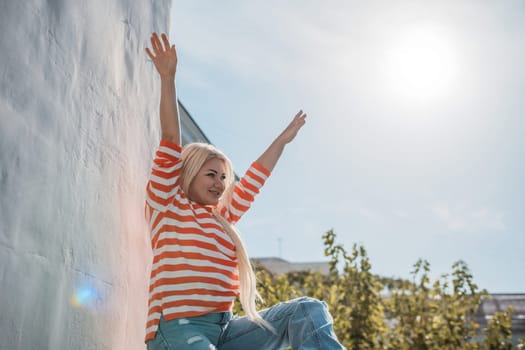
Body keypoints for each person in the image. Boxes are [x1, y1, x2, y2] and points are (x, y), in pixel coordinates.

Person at [144, 32, 345, 350]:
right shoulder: (167, 204)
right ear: (188, 174)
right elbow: (170, 137)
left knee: (308, 310)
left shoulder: (222, 216)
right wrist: (167, 77)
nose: (220, 184)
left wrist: (281, 141)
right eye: (211, 175)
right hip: (178, 331)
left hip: (226, 331)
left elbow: (254, 178)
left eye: (224, 178)